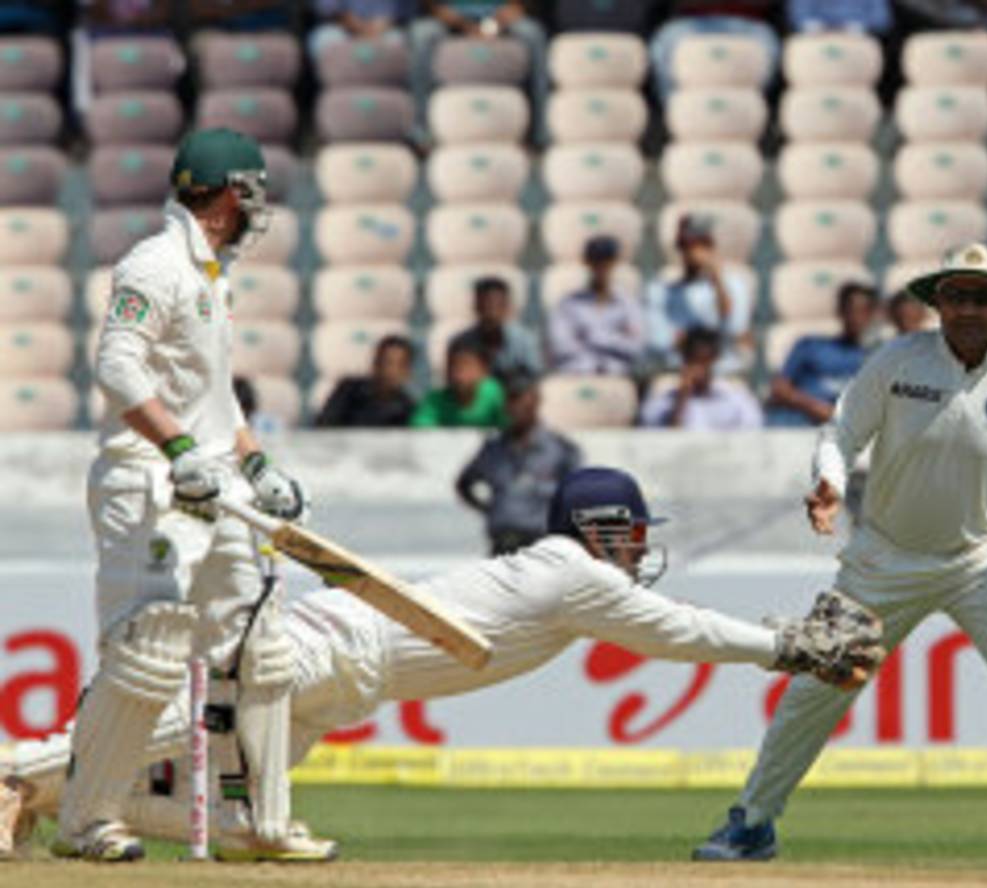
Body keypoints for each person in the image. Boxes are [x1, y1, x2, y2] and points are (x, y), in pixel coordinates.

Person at [0, 467, 886, 860]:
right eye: (635, 533)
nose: (640, 550)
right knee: (156, 729)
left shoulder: (563, 577)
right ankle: (16, 770)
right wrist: (785, 648)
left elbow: (670, 626)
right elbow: (680, 631)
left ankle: (47, 802)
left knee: (231, 823)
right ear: (602, 531)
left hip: (350, 681)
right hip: (329, 648)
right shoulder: (572, 573)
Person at [692, 243, 987, 862]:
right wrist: (830, 481)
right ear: (937, 301)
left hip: (982, 560)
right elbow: (841, 432)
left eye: (982, 297)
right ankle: (753, 822)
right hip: (884, 558)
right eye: (957, 295)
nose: (968, 309)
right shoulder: (897, 361)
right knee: (817, 686)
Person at [58, 128, 323, 863]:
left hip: (217, 484)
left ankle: (261, 824)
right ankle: (86, 823)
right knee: (150, 652)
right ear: (233, 194)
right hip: (147, 484)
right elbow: (117, 368)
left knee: (260, 645)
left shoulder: (209, 271)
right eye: (254, 194)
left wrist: (257, 463)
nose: (257, 209)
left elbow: (213, 398)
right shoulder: (156, 264)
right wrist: (175, 450)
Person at [456, 373, 583, 554]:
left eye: (519, 398)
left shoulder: (560, 449)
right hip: (502, 545)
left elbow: (578, 495)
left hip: (542, 546)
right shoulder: (493, 449)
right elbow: (464, 483)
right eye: (509, 399)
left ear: (536, 400)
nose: (513, 406)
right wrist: (489, 508)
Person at [413, 1, 548, 135]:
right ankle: (421, 126)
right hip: (452, 18)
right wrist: (442, 12)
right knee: (422, 33)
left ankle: (540, 128)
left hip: (500, 16)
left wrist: (513, 10)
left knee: (532, 32)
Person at [646, 214, 753, 375]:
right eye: (689, 245)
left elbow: (735, 328)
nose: (696, 251)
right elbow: (660, 342)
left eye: (703, 244)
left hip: (721, 372)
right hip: (678, 372)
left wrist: (717, 280)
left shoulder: (734, 286)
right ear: (680, 248)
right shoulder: (660, 291)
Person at [767, 281, 878, 427]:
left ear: (873, 315)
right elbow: (779, 389)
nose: (856, 317)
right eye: (851, 310)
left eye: (863, 311)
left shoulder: (878, 360)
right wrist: (816, 408)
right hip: (797, 425)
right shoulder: (809, 345)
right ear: (840, 311)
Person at [548, 234, 646, 377]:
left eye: (607, 260)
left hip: (618, 375)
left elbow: (636, 346)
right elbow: (563, 347)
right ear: (587, 262)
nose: (601, 266)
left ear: (614, 262)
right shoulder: (568, 304)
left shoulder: (629, 304)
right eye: (596, 260)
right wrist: (617, 337)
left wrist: (591, 337)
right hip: (578, 373)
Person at [649, 0, 779, 102]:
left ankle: (749, 114)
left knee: (767, 45)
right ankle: (676, 114)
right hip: (693, 22)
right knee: (664, 45)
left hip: (748, 21)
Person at [639, 327, 763, 431]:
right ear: (685, 361)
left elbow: (753, 431)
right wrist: (682, 399)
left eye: (704, 362)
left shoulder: (736, 397)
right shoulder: (663, 400)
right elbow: (660, 439)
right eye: (694, 362)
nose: (699, 370)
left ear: (714, 361)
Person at [450, 276, 542, 386]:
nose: (491, 311)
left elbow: (533, 378)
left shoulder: (524, 340)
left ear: (507, 306)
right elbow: (453, 382)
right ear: (476, 306)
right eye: (486, 304)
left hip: (513, 396)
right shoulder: (460, 343)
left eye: (497, 305)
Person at [315, 334, 417, 428]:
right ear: (376, 364)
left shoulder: (407, 407)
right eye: (388, 363)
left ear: (408, 371)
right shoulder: (349, 391)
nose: (394, 370)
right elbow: (325, 426)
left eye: (401, 365)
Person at [411, 338, 507, 428]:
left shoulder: (496, 395)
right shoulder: (435, 401)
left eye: (466, 364)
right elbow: (420, 429)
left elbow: (508, 426)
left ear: (484, 370)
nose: (458, 371)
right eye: (453, 364)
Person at [306, 0, 419, 59]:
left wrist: (386, 23)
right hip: (344, 28)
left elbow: (405, 10)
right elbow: (328, 8)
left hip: (386, 29)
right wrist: (358, 26)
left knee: (397, 40)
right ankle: (333, 100)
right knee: (326, 39)